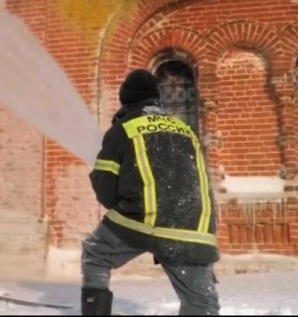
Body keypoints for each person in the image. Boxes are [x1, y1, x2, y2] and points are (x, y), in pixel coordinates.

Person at [81, 69, 220, 316]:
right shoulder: (186, 130)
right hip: (195, 227)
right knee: (201, 302)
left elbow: (105, 189)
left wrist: (124, 206)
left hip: (141, 221)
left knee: (96, 253)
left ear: (126, 101)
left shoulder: (123, 129)